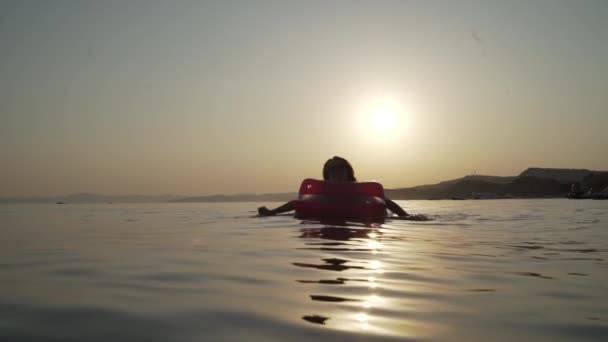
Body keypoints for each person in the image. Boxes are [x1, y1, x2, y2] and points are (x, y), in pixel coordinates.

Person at [257, 156, 428, 220]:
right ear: (327, 173)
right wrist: (271, 212)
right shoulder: (321, 195)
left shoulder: (359, 191)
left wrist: (406, 217)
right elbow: (296, 204)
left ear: (348, 171)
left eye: (340, 167)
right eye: (332, 168)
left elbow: (385, 202)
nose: (336, 171)